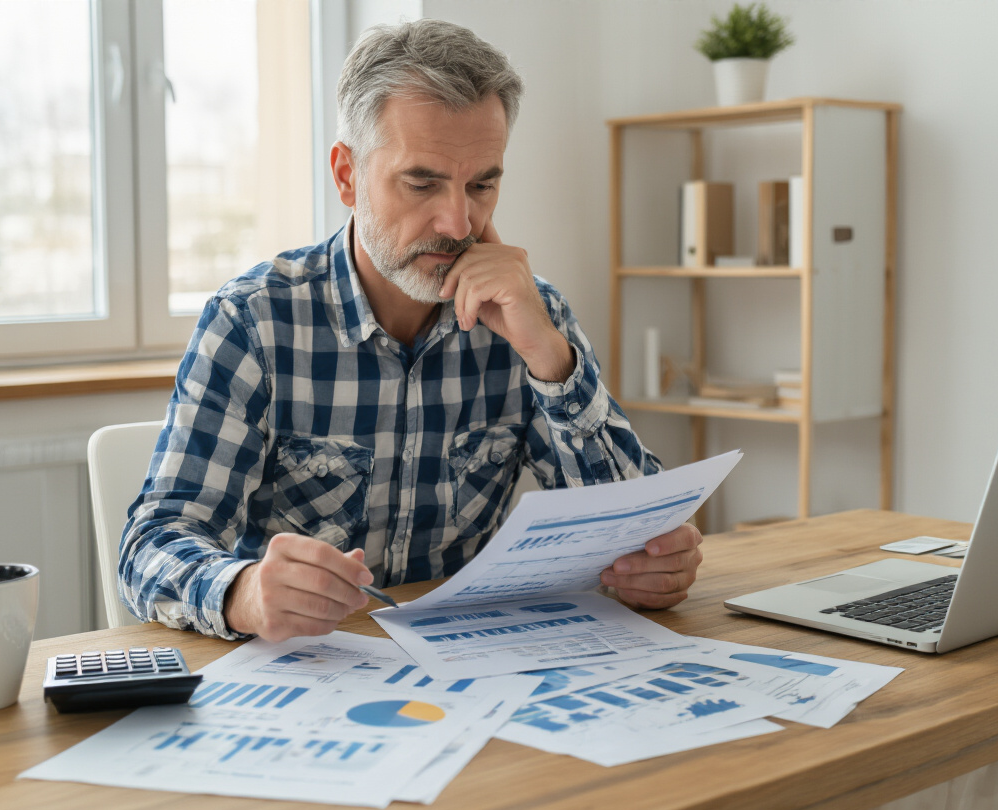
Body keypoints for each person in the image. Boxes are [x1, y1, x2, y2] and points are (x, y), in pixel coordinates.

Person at [119, 18, 703, 642]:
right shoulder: (255, 322)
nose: (459, 222)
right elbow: (153, 542)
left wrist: (550, 361)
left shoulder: (533, 316)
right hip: (313, 674)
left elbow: (633, 529)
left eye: (482, 184)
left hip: (472, 670)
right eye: (422, 182)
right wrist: (242, 594)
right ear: (347, 176)